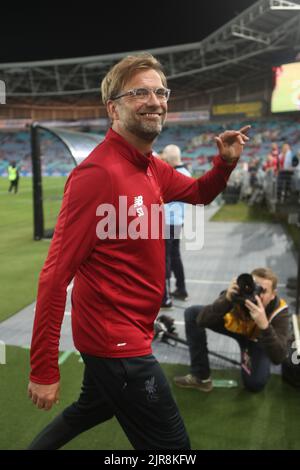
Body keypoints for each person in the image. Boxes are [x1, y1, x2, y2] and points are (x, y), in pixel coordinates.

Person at [27, 52, 250, 450]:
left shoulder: (149, 166)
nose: (155, 100)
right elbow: (55, 274)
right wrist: (43, 367)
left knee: (91, 408)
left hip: (122, 333)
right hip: (118, 343)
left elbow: (198, 193)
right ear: (114, 108)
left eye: (161, 91)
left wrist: (224, 165)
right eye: (140, 92)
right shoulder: (96, 175)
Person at [174, 268, 289, 393]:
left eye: (263, 291)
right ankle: (201, 376)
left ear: (273, 294)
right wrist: (227, 299)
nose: (257, 295)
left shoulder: (279, 311)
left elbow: (279, 357)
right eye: (254, 287)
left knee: (254, 384)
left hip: (257, 340)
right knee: (192, 313)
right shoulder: (238, 294)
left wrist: (265, 326)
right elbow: (202, 320)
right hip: (235, 327)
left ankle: (252, 357)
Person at [161, 144, 190, 308]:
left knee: (164, 260)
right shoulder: (185, 172)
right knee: (175, 257)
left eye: (165, 158)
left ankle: (165, 297)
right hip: (178, 221)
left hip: (167, 222)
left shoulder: (173, 175)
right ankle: (181, 288)